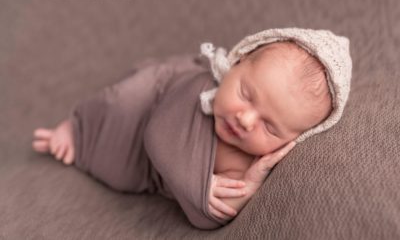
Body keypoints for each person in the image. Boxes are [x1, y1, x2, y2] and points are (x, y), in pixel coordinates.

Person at [32, 28, 352, 229]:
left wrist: (246, 185)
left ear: (293, 141)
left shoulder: (253, 161)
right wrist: (197, 182)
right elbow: (159, 134)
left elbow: (205, 217)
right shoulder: (202, 89)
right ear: (237, 64)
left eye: (270, 127)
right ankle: (76, 126)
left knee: (123, 176)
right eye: (245, 94)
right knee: (120, 100)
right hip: (152, 102)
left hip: (149, 172)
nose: (245, 119)